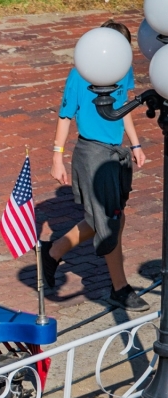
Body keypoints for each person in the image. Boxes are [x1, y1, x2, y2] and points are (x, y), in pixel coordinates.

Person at [41, 20, 148, 311]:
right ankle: (120, 289)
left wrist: (135, 144)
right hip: (91, 153)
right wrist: (56, 156)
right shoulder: (79, 75)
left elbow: (123, 108)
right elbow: (65, 115)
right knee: (110, 220)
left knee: (112, 218)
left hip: (115, 153)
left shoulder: (123, 70)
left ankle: (54, 251)